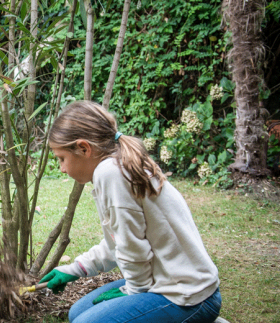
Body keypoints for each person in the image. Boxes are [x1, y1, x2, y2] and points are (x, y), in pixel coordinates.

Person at [40, 101, 221, 323]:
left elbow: (132, 249)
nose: (62, 168)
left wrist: (132, 292)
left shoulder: (111, 174)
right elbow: (119, 241)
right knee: (77, 313)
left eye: (61, 158)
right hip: (165, 282)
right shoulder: (116, 166)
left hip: (188, 294)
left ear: (84, 148)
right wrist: (75, 269)